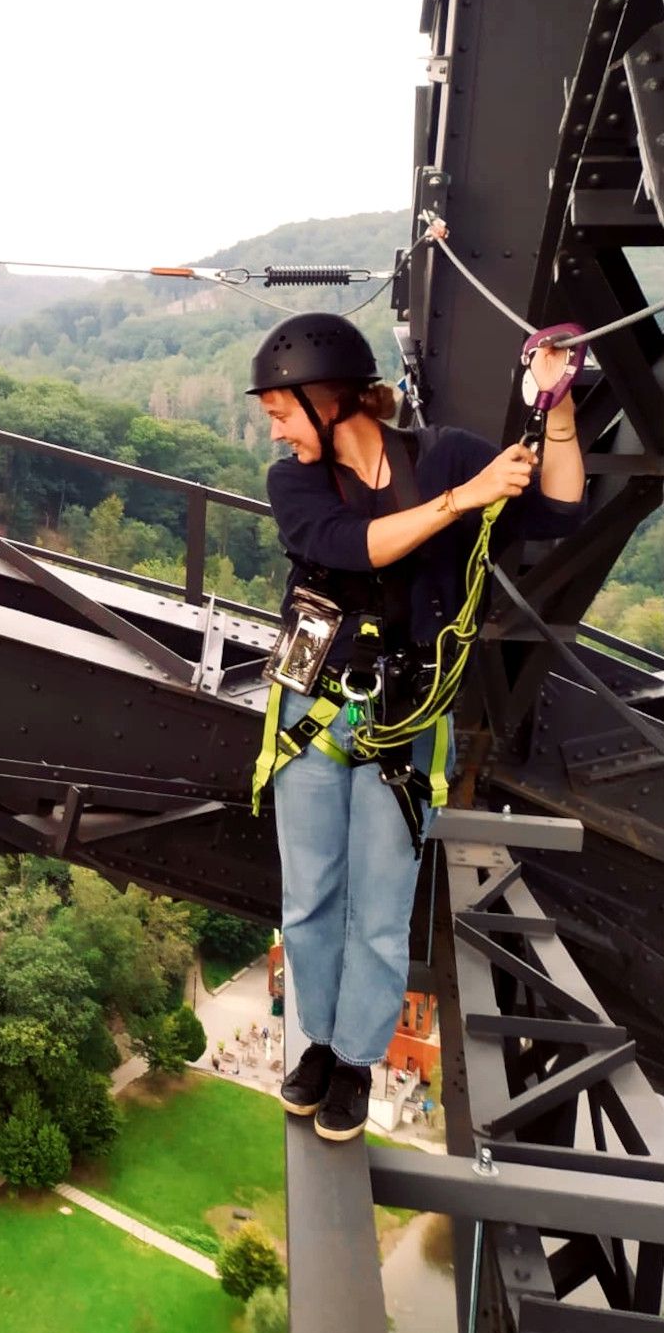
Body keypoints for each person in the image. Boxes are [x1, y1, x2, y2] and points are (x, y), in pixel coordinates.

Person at [248, 312, 584, 1141]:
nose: (277, 429)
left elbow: (560, 507)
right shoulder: (295, 483)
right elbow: (356, 546)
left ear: (331, 402)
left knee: (381, 901)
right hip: (316, 708)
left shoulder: (442, 454)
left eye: (284, 411)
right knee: (312, 892)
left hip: (410, 713)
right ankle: (317, 1042)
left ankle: (354, 1059)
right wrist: (464, 501)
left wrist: (561, 403)